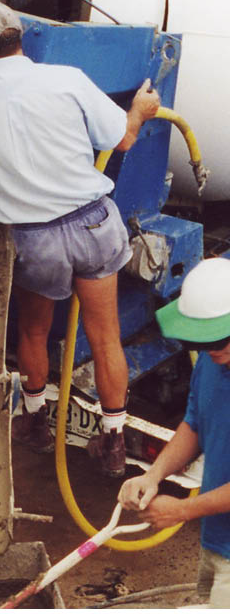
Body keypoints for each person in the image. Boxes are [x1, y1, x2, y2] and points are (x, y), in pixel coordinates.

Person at [0, 0, 161, 477]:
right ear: (19, 41)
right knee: (106, 337)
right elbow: (122, 138)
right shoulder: (67, 78)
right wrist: (140, 111)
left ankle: (35, 424)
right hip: (94, 222)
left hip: (37, 239)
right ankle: (113, 443)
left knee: (33, 331)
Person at [119, 258, 230, 608]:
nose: (213, 349)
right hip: (216, 539)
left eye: (221, 338)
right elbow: (194, 424)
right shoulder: (212, 363)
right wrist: (153, 476)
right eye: (202, 341)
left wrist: (183, 509)